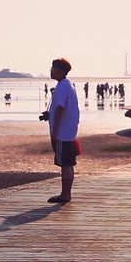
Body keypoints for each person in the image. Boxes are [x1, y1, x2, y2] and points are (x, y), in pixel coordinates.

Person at [40, 58, 79, 204]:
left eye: (53, 68)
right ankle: (66, 193)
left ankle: (65, 194)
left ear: (61, 71)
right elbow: (60, 108)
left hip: (63, 132)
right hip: (68, 131)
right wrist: (49, 115)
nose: (51, 70)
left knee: (65, 164)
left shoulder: (63, 86)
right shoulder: (67, 85)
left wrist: (54, 132)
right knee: (68, 163)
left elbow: (60, 109)